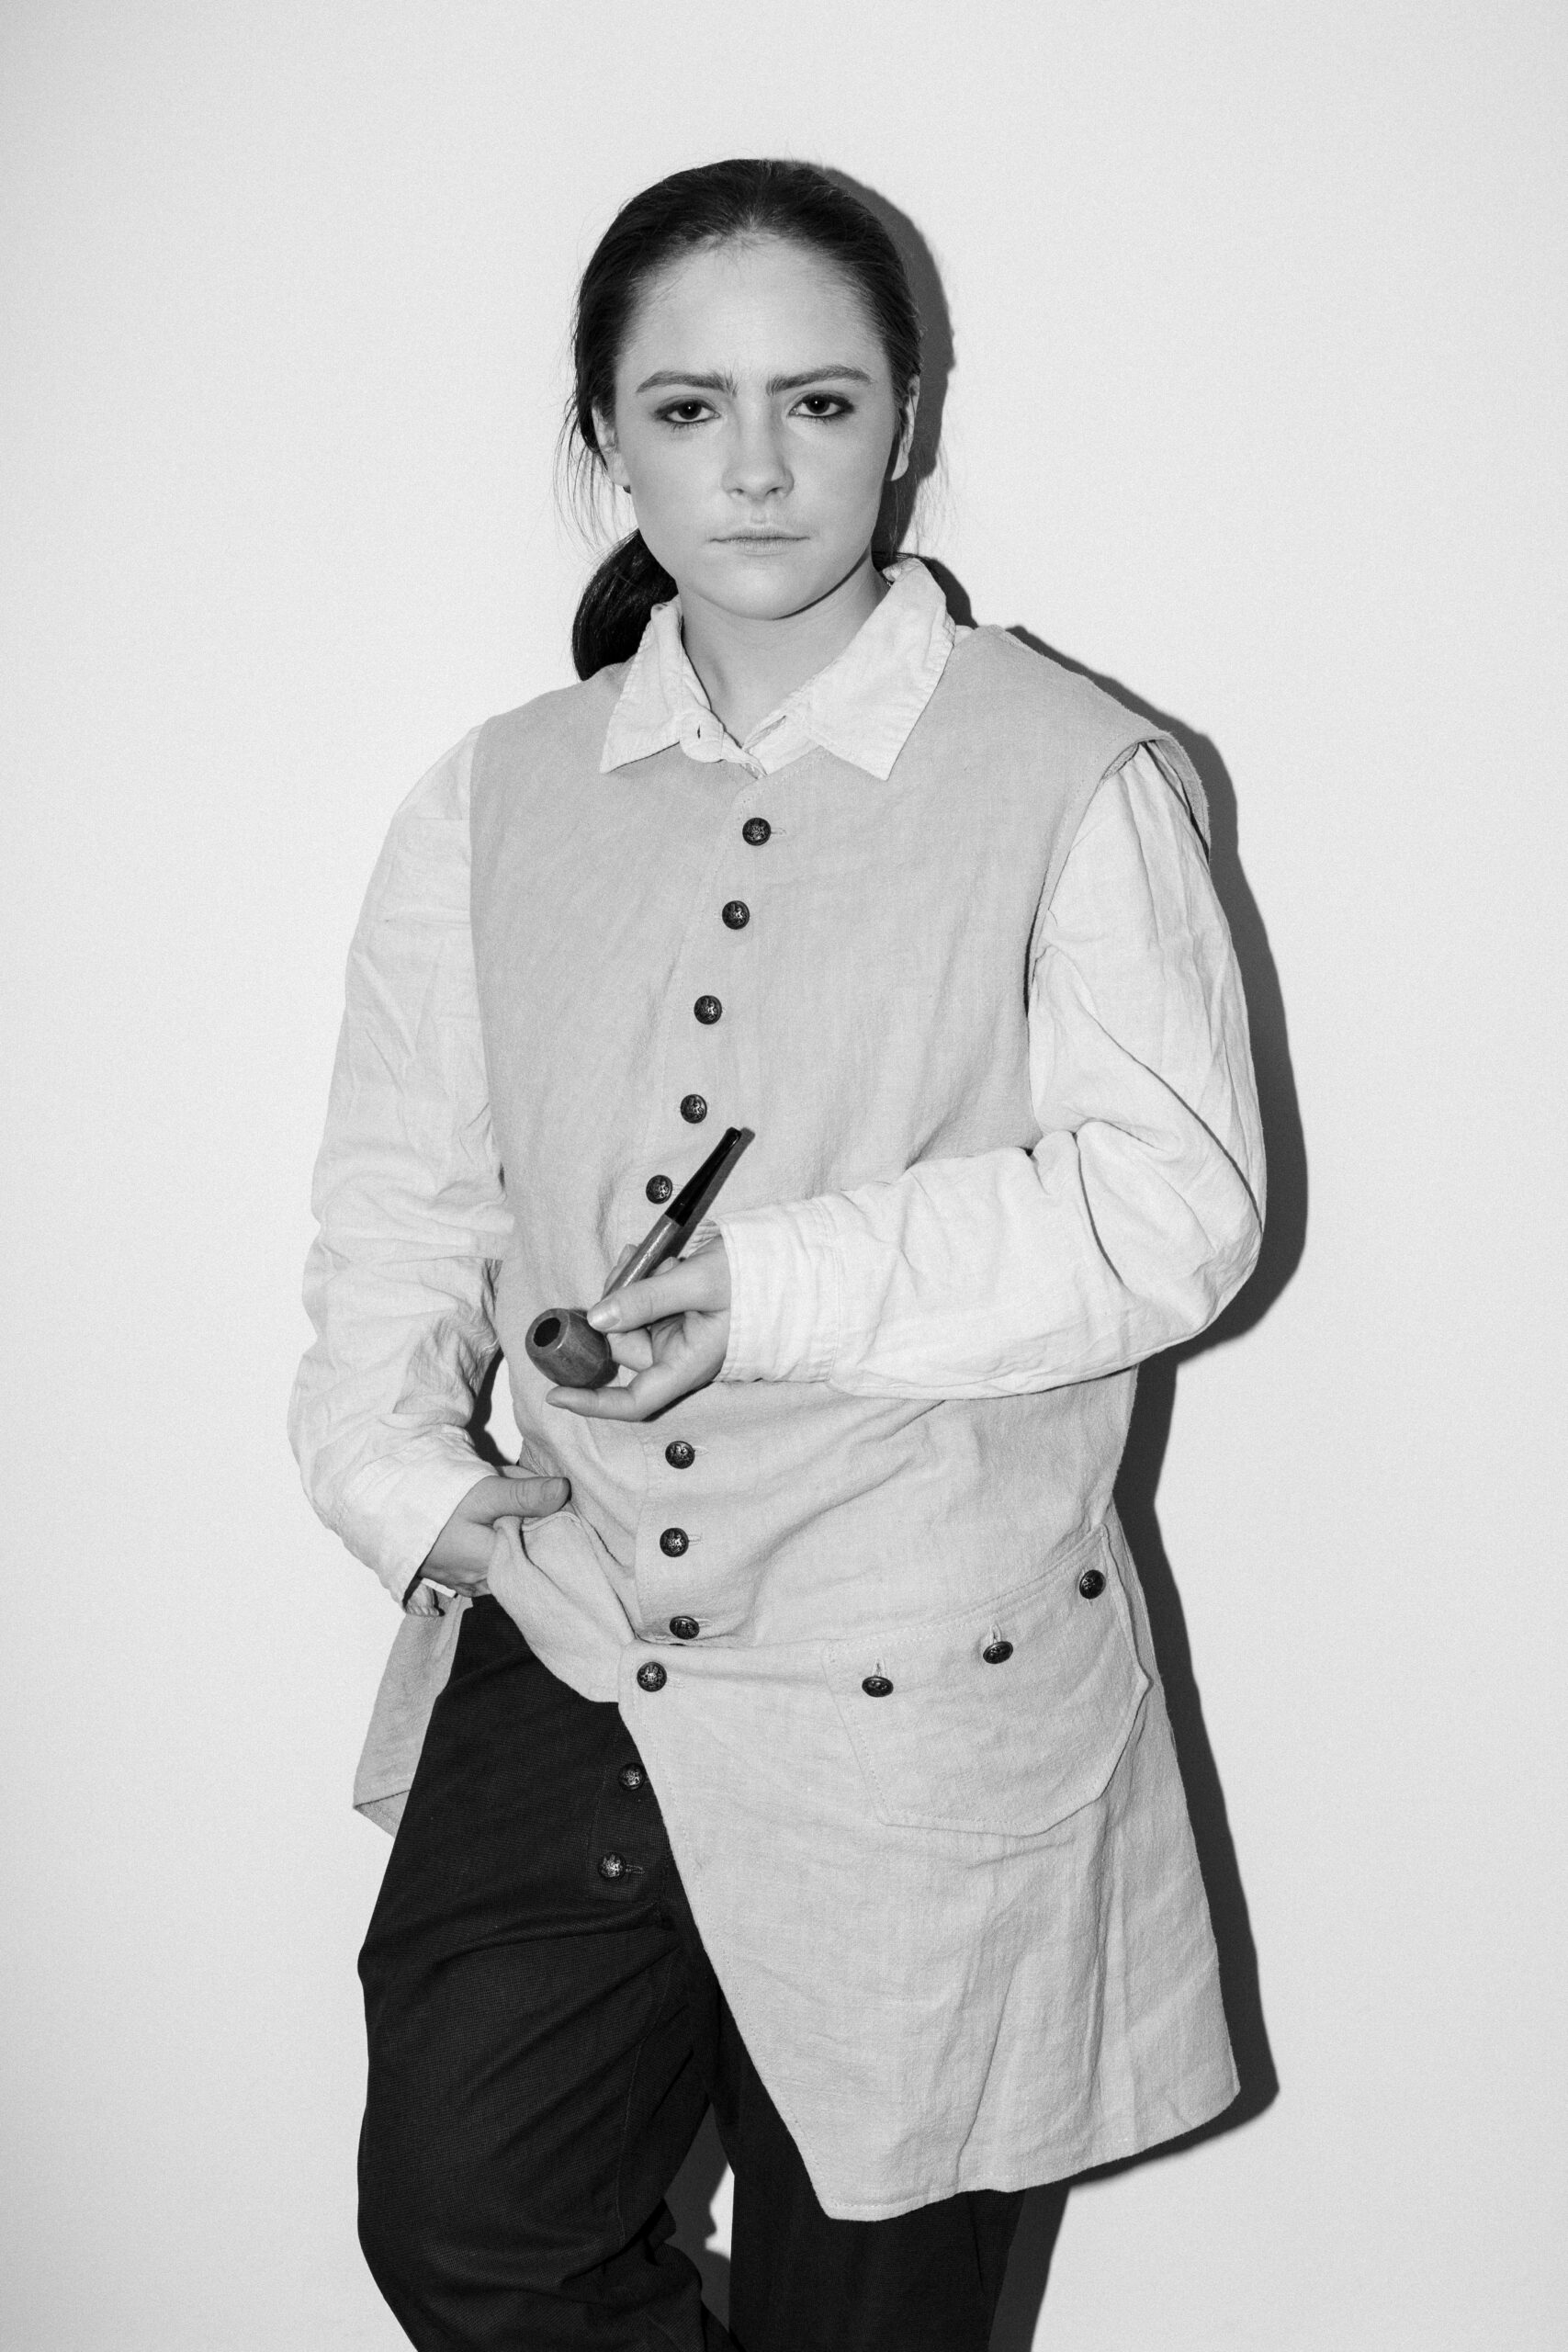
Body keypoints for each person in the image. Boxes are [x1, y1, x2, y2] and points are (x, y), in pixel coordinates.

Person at [289, 156, 1265, 2352]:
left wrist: (775, 1287)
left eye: (815, 401)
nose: (753, 466)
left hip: (931, 1677)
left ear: (903, 420)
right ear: (603, 437)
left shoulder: (1072, 770)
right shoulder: (491, 792)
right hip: (574, 1640)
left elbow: (1170, 1203)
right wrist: (402, 1479)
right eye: (686, 405)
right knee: (469, 2224)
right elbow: (403, 1196)